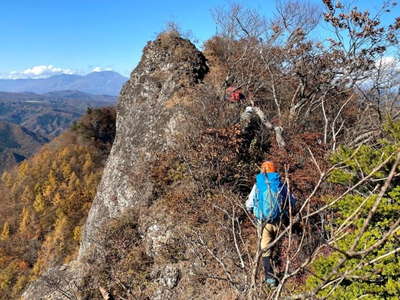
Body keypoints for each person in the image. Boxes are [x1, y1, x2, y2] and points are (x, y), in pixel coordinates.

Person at [246, 161, 296, 287]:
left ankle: (270, 279)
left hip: (264, 224)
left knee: (266, 250)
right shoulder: (279, 184)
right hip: (279, 222)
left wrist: (254, 211)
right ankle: (285, 272)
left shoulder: (258, 185)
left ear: (262, 171)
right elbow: (292, 200)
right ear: (274, 170)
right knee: (281, 246)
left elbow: (249, 204)